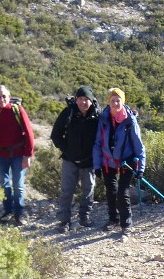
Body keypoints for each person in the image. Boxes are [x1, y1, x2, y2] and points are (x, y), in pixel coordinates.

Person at [93, 88, 145, 237]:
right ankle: (113, 219)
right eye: (112, 100)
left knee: (123, 193)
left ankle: (126, 224)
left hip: (126, 162)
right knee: (111, 191)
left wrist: (141, 168)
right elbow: (98, 143)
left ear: (123, 101)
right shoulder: (103, 119)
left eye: (118, 100)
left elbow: (139, 147)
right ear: (108, 102)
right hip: (107, 161)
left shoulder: (130, 121)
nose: (115, 103)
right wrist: (97, 166)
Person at [0, 85, 35, 226]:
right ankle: (8, 210)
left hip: (18, 154)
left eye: (4, 96)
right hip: (0, 155)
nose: (2, 99)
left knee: (18, 185)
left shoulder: (17, 110)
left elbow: (29, 133)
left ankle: (19, 212)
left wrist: (28, 155)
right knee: (4, 185)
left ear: (9, 96)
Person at [50, 85, 101, 232]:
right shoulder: (68, 113)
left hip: (89, 161)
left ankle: (84, 217)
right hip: (69, 160)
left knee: (88, 190)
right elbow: (56, 135)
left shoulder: (97, 116)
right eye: (80, 99)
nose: (83, 102)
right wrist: (66, 149)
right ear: (76, 99)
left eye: (86, 99)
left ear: (91, 101)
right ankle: (64, 221)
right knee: (66, 191)